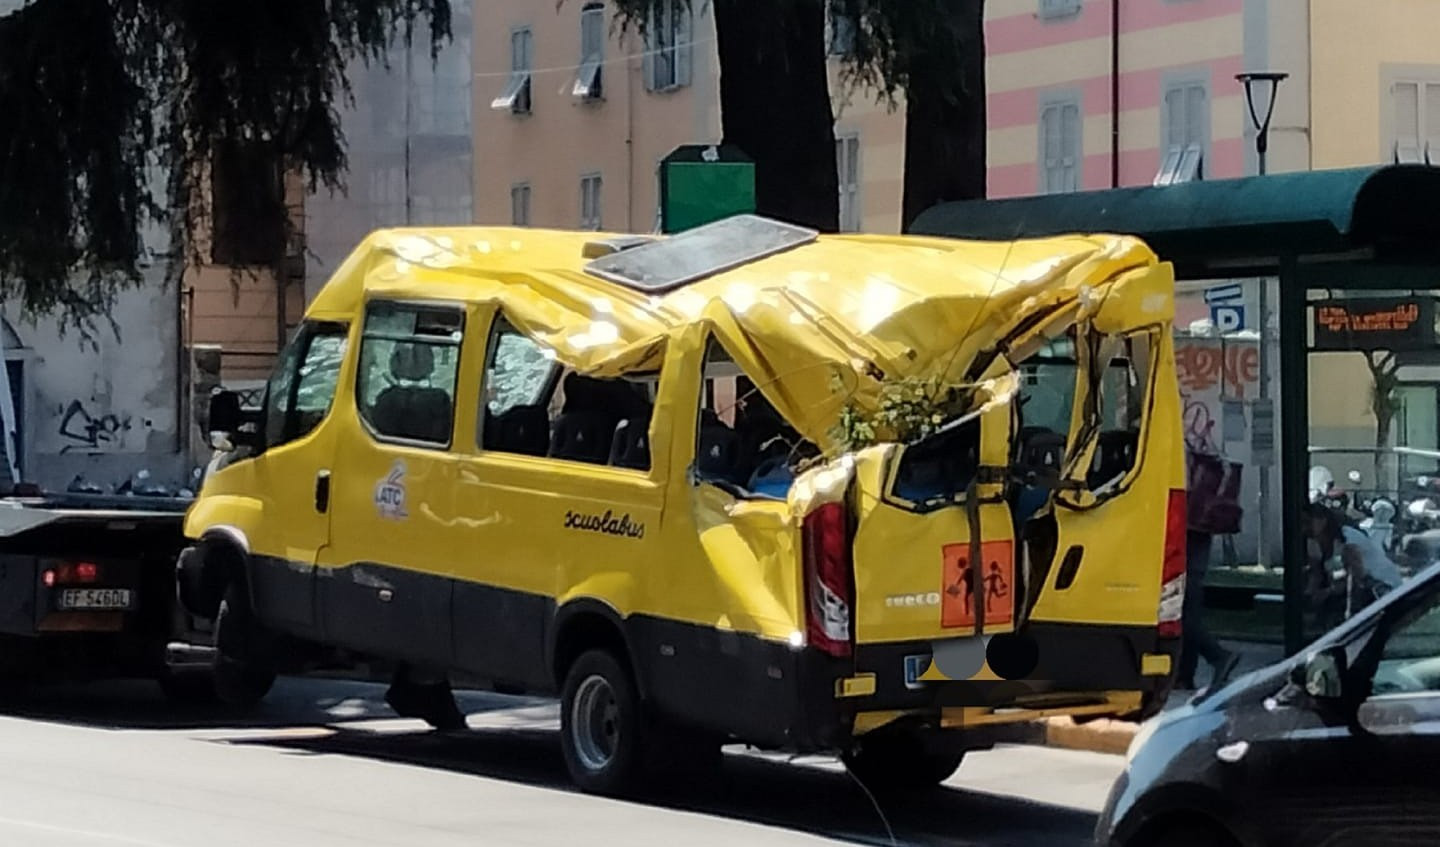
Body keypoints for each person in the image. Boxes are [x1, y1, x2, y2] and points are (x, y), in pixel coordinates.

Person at [1304, 501, 1403, 625]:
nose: (1304, 527)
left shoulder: (1348, 540)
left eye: (1308, 522)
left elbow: (1356, 577)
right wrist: (1309, 594)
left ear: (1323, 521)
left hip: (1380, 587)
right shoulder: (1313, 542)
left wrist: (1326, 592)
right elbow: (1316, 572)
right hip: (1350, 589)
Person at [1176, 529, 1239, 690]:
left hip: (1190, 524)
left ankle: (1217, 655)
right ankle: (1185, 674)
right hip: (1200, 524)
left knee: (1183, 605)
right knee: (1189, 601)